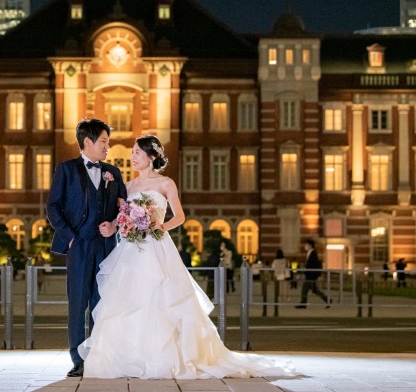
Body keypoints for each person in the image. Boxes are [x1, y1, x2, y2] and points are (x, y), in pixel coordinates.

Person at [78, 134, 293, 379]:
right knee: (129, 300)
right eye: (133, 152)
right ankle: (129, 358)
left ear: (151, 157)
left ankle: (165, 357)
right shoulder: (128, 186)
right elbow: (121, 215)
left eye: (137, 152)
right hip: (131, 249)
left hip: (156, 247)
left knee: (162, 299)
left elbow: (179, 217)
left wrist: (159, 226)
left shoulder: (166, 183)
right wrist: (117, 226)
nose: (132, 156)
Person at [47, 118, 127, 378]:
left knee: (101, 304)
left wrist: (114, 225)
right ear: (88, 142)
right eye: (104, 141)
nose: (108, 146)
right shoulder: (66, 170)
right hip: (79, 246)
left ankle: (99, 356)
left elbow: (124, 208)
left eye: (107, 141)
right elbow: (53, 207)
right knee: (78, 303)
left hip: (106, 246)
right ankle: (78, 359)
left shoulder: (113, 173)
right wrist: (70, 237)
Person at [296, 238, 330, 309]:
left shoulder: (313, 253)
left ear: (310, 246)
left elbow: (316, 264)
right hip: (310, 275)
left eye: (306, 245)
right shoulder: (310, 253)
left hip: (311, 276)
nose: (305, 246)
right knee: (315, 290)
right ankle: (327, 300)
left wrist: (318, 275)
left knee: (304, 289)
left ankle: (303, 303)